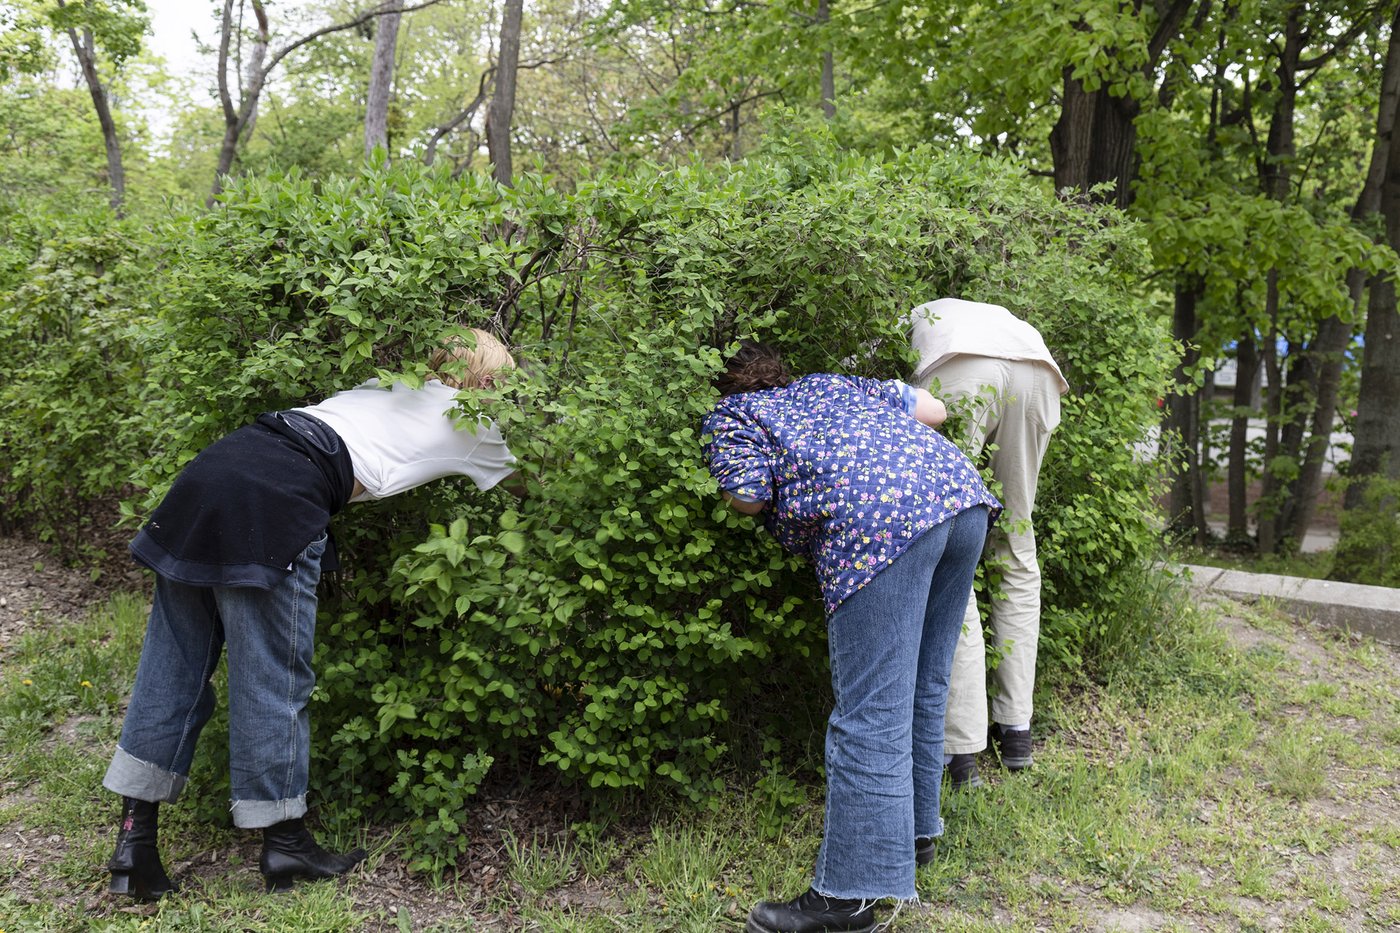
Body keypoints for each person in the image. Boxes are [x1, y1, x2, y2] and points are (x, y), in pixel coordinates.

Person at [102, 329, 520, 899]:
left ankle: (134, 846)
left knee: (172, 663)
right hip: (278, 497)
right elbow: (532, 480)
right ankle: (286, 845)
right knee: (274, 675)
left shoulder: (387, 385)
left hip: (213, 472)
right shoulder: (471, 420)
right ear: (490, 380)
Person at [702, 342, 999, 933]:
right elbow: (935, 411)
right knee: (922, 681)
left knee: (869, 712)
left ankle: (846, 900)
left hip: (879, 523)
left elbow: (748, 496)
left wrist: (735, 476)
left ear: (722, 385)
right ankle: (913, 837)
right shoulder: (827, 384)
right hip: (960, 499)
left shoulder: (733, 417)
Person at [907, 297, 1068, 789]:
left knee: (949, 551)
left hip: (963, 370)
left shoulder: (910, 318)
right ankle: (1016, 728)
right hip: (1037, 372)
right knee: (1016, 547)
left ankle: (960, 747)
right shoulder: (986, 312)